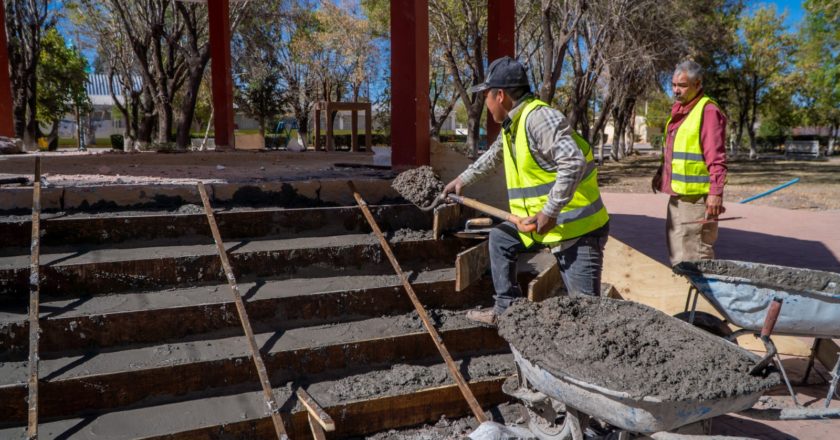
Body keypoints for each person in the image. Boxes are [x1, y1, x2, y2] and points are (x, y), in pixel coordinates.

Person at [443, 56, 610, 326]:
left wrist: (550, 211)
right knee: (501, 238)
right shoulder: (513, 125)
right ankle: (506, 310)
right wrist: (462, 179)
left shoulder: (539, 118)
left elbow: (573, 162)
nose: (485, 103)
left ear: (500, 95)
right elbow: (493, 156)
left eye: (486, 95)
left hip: (576, 230)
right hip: (539, 226)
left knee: (587, 315)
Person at [652, 60, 727, 266]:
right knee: (678, 254)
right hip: (678, 194)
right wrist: (662, 173)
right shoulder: (681, 110)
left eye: (682, 85)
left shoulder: (708, 111)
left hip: (697, 199)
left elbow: (717, 157)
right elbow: (675, 149)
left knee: (695, 254)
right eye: (674, 85)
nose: (676, 90)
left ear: (697, 84)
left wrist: (715, 193)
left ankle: (702, 296)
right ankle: (685, 292)